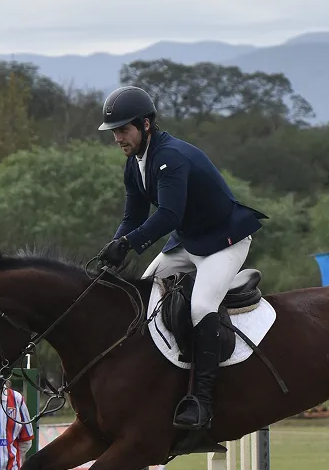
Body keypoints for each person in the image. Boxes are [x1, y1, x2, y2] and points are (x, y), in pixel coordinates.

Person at [94, 85, 266, 431]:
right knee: (144, 293)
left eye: (123, 130)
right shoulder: (136, 163)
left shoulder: (171, 158)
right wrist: (113, 248)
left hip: (223, 242)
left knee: (201, 306)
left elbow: (169, 215)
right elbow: (133, 217)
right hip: (188, 243)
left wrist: (128, 244)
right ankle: (155, 381)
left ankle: (202, 400)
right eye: (114, 131)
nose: (117, 138)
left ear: (145, 125)